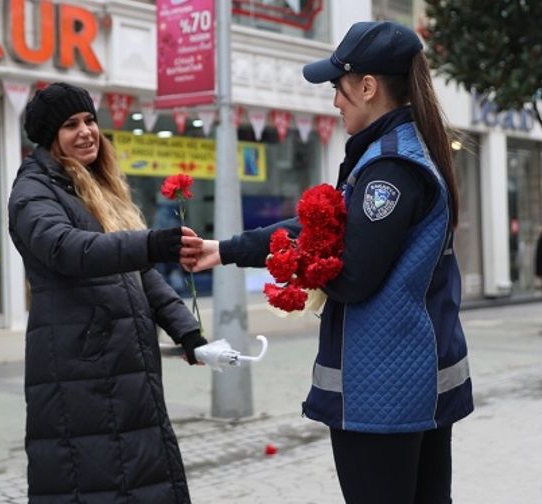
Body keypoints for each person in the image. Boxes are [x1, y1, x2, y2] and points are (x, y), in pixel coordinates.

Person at [190, 21, 473, 503]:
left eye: (338, 88)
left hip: (384, 393)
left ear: (368, 86)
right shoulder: (397, 153)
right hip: (408, 384)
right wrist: (230, 249)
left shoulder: (389, 169)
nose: (334, 101)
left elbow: (353, 274)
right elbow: (336, 232)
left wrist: (308, 269)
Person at [8, 82, 207, 503]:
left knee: (138, 474)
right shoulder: (33, 192)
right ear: (49, 137)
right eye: (70, 125)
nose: (86, 131)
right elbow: (68, 250)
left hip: (123, 365)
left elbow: (140, 273)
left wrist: (186, 331)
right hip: (80, 369)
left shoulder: (95, 187)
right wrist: (150, 242)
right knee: (94, 478)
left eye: (90, 120)